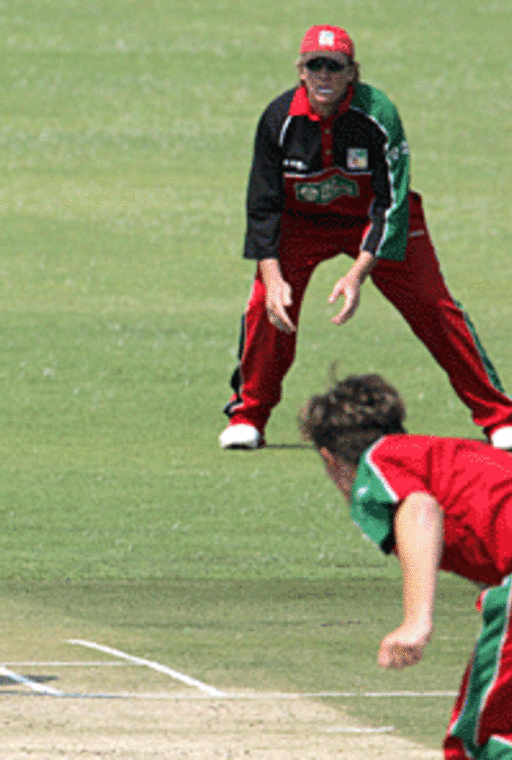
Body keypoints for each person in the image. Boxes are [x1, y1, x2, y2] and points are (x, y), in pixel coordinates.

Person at [219, 25, 512, 451]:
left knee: (434, 306)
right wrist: (274, 278)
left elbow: (390, 203)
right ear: (300, 71)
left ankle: (499, 417)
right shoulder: (278, 120)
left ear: (352, 72)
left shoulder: (379, 114)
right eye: (314, 66)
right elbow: (262, 208)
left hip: (377, 220)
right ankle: (249, 415)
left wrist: (357, 274)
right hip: (303, 223)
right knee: (266, 305)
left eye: (333, 67)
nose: (323, 76)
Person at [300, 373, 512, 758]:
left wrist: (416, 620)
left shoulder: (380, 461)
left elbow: (419, 508)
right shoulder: (447, 454)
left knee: (485, 739)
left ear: (330, 459)